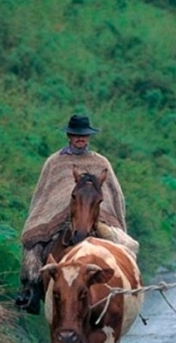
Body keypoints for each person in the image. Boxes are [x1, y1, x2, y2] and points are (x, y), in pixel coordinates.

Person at [15, 114, 138, 315]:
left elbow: (113, 194)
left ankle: (129, 291)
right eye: (76, 135)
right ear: (69, 136)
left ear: (89, 137)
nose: (80, 138)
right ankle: (30, 290)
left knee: (126, 246)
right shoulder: (55, 162)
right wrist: (58, 213)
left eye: (84, 135)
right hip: (58, 221)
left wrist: (97, 214)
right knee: (33, 245)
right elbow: (45, 195)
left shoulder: (100, 162)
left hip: (96, 218)